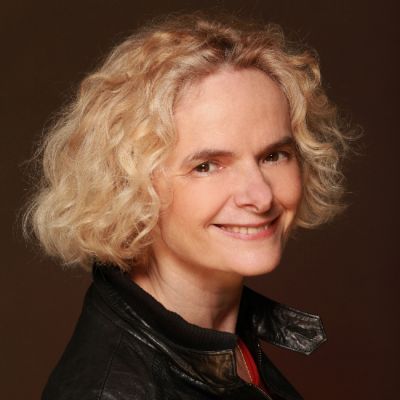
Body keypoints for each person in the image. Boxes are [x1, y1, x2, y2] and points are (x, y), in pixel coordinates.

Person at [24, 12, 351, 400]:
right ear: (129, 186)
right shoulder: (108, 392)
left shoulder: (227, 341)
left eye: (274, 155)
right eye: (207, 166)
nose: (260, 196)